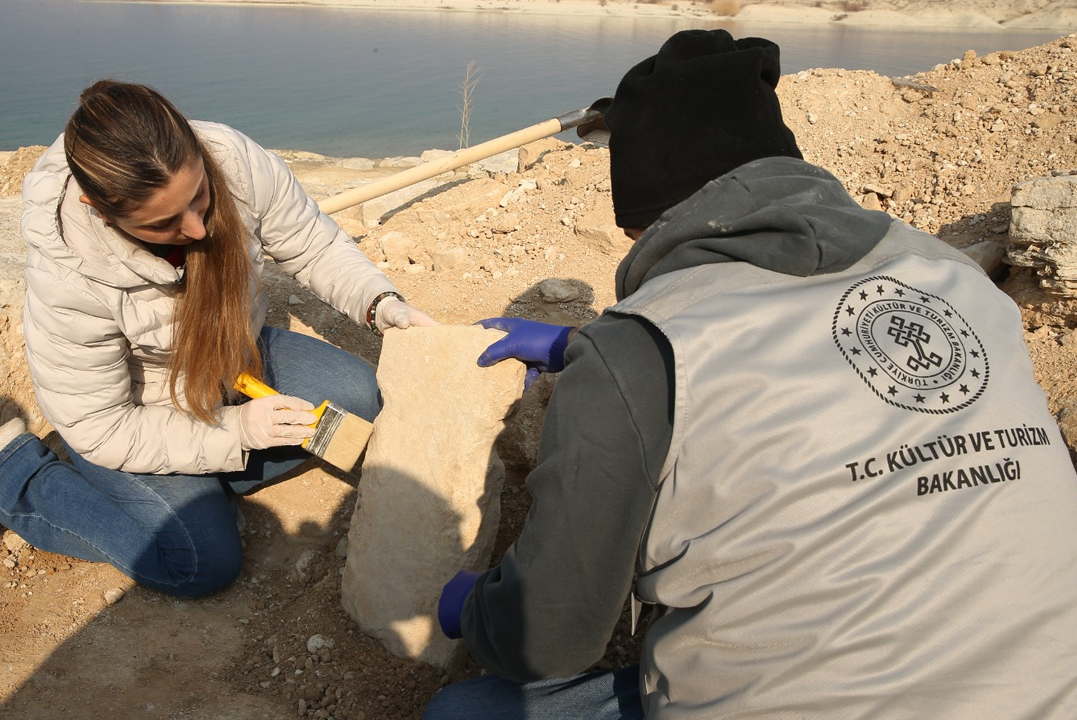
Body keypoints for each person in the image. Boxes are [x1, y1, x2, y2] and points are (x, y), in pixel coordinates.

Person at [426, 29, 1077, 719]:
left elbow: (550, 635)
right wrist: (588, 350)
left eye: (632, 228)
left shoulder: (641, 350)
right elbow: (814, 353)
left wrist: (480, 609)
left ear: (657, 217)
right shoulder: (952, 273)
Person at [0, 80, 436, 598]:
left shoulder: (232, 158)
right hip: (141, 409)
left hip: (232, 358)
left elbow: (309, 243)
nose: (197, 229)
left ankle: (189, 488)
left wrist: (382, 305)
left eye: (200, 198)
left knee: (363, 398)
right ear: (101, 211)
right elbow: (99, 425)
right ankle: (16, 479)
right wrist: (235, 434)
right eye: (165, 222)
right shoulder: (69, 276)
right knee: (200, 562)